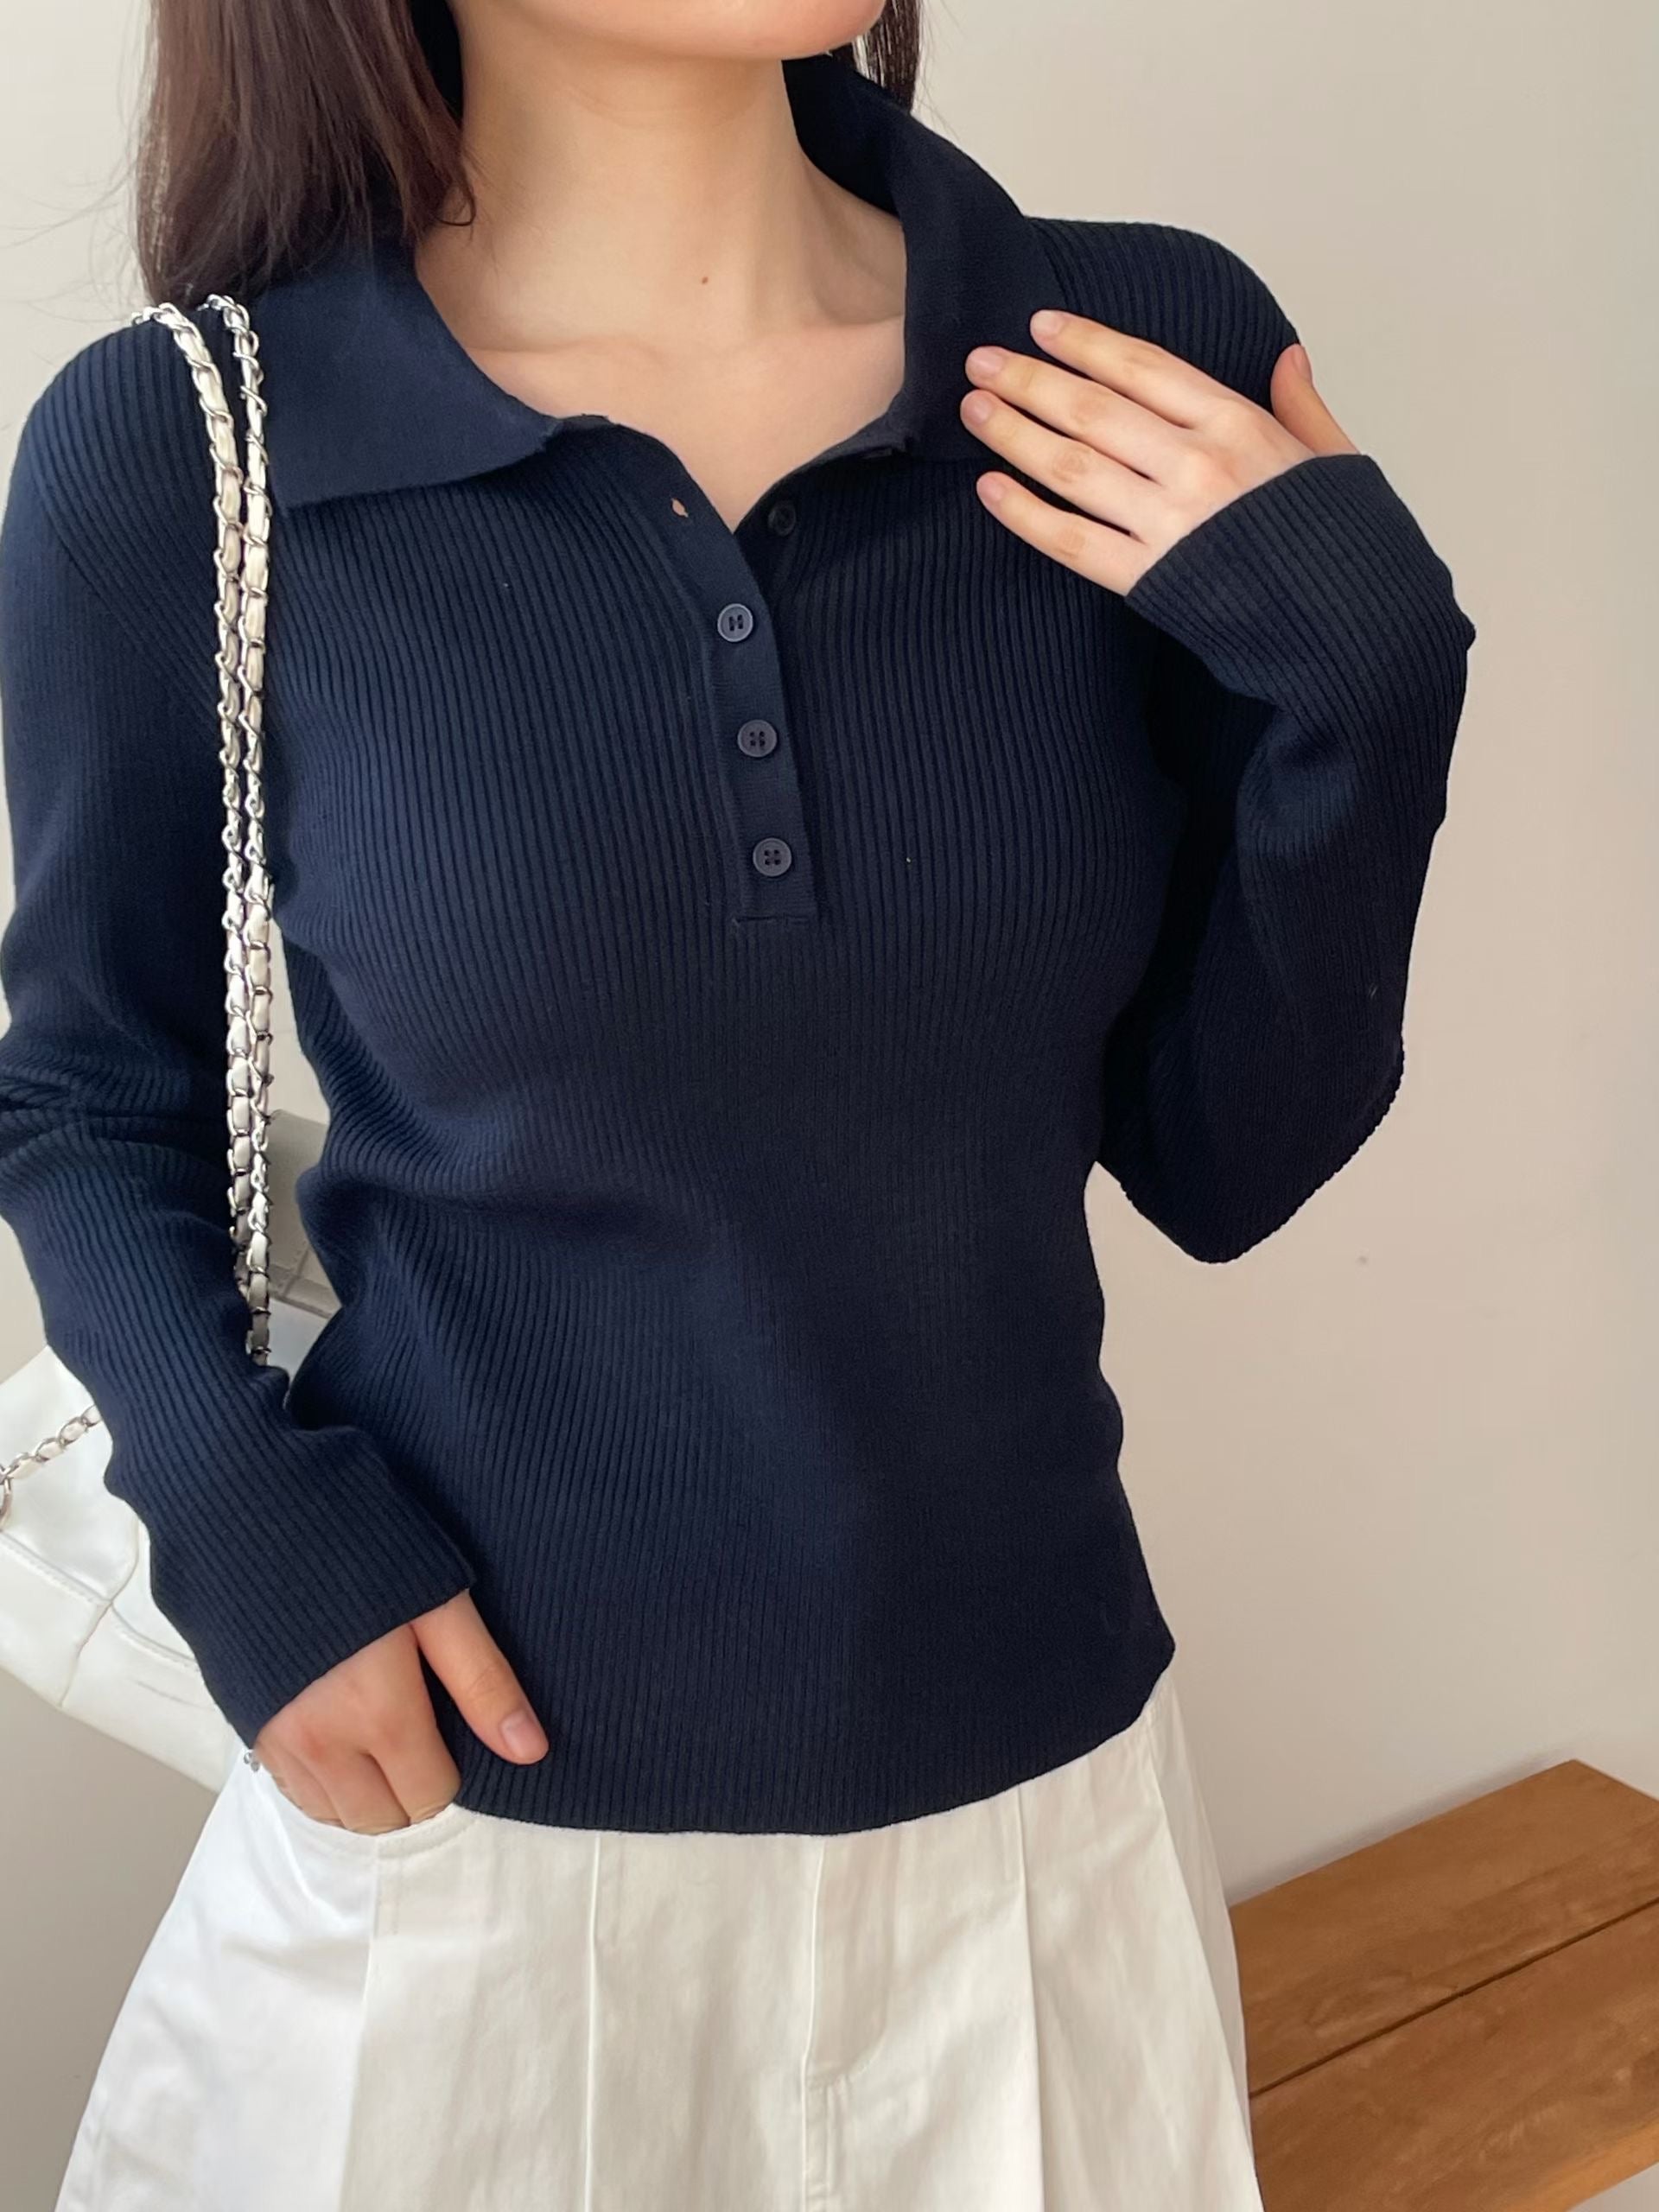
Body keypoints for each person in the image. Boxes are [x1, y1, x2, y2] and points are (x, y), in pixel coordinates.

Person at [0, 1, 1476, 2205]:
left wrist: (1369, 684)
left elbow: (1221, 1158)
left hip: (1034, 1841)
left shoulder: (1123, 360)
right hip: (465, 1846)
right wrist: (249, 1525)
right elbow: (87, 1085)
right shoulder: (189, 444)